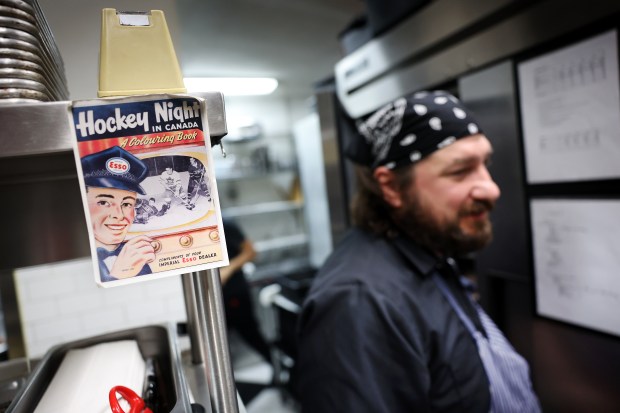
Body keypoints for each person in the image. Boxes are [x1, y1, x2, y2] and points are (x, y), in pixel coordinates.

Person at [296, 91, 541, 412]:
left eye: (485, 164)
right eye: (459, 171)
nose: (491, 189)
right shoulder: (359, 302)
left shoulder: (430, 250)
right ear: (392, 186)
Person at [82, 146, 155, 282]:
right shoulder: (85, 261)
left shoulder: (135, 255)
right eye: (104, 202)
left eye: (127, 204)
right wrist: (118, 275)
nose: (119, 215)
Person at [221, 218, 272, 366]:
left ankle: (282, 371)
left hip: (235, 292)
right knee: (221, 341)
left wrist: (227, 269)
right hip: (218, 297)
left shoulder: (226, 225)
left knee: (252, 335)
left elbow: (251, 252)